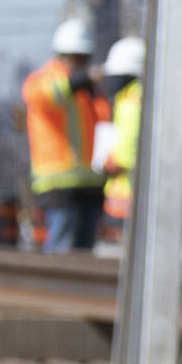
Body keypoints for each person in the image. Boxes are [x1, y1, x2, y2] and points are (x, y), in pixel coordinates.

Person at [23, 13, 113, 253]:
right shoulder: (43, 79)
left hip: (90, 181)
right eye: (76, 58)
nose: (80, 63)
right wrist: (82, 80)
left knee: (85, 252)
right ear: (62, 55)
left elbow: (104, 123)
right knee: (61, 247)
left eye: (84, 58)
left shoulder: (88, 91)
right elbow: (48, 95)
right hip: (58, 181)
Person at [100, 34, 146, 237]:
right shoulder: (144, 96)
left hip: (128, 194)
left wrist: (112, 162)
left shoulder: (130, 101)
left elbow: (127, 148)